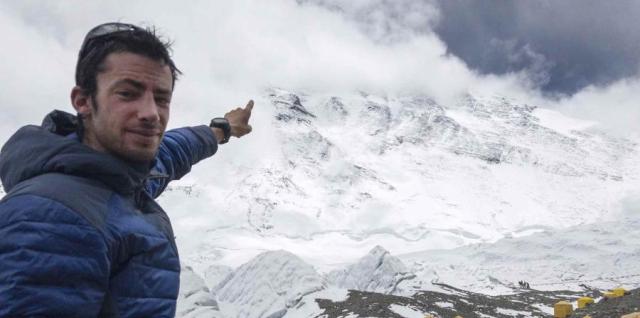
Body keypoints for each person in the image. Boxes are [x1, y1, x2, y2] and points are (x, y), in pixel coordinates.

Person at [0, 22, 253, 317]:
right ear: (83, 101)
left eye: (161, 98)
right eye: (128, 94)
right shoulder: (51, 218)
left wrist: (221, 129)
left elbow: (170, 153)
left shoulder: (117, 181)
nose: (150, 113)